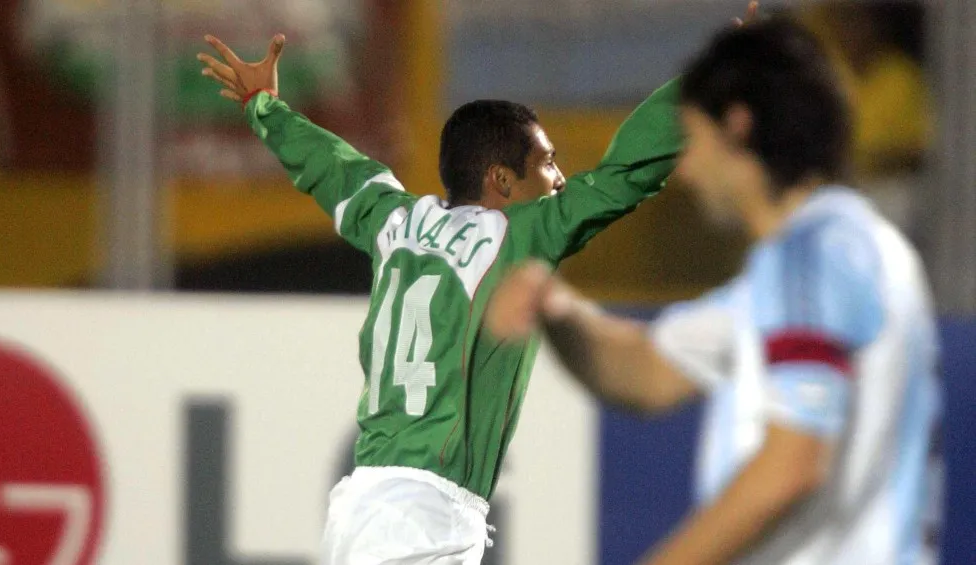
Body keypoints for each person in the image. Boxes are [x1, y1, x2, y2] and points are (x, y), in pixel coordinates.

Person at [193, 5, 760, 560]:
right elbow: (625, 174)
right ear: (501, 180)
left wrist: (264, 106)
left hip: (366, 506)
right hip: (420, 516)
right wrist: (707, 87)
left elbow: (330, 167)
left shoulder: (393, 220)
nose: (561, 178)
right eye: (547, 162)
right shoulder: (517, 236)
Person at [486, 17, 940, 565]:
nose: (687, 170)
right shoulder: (833, 257)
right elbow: (650, 372)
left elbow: (792, 465)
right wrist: (555, 308)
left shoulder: (812, 252)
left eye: (692, 139)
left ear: (737, 125)